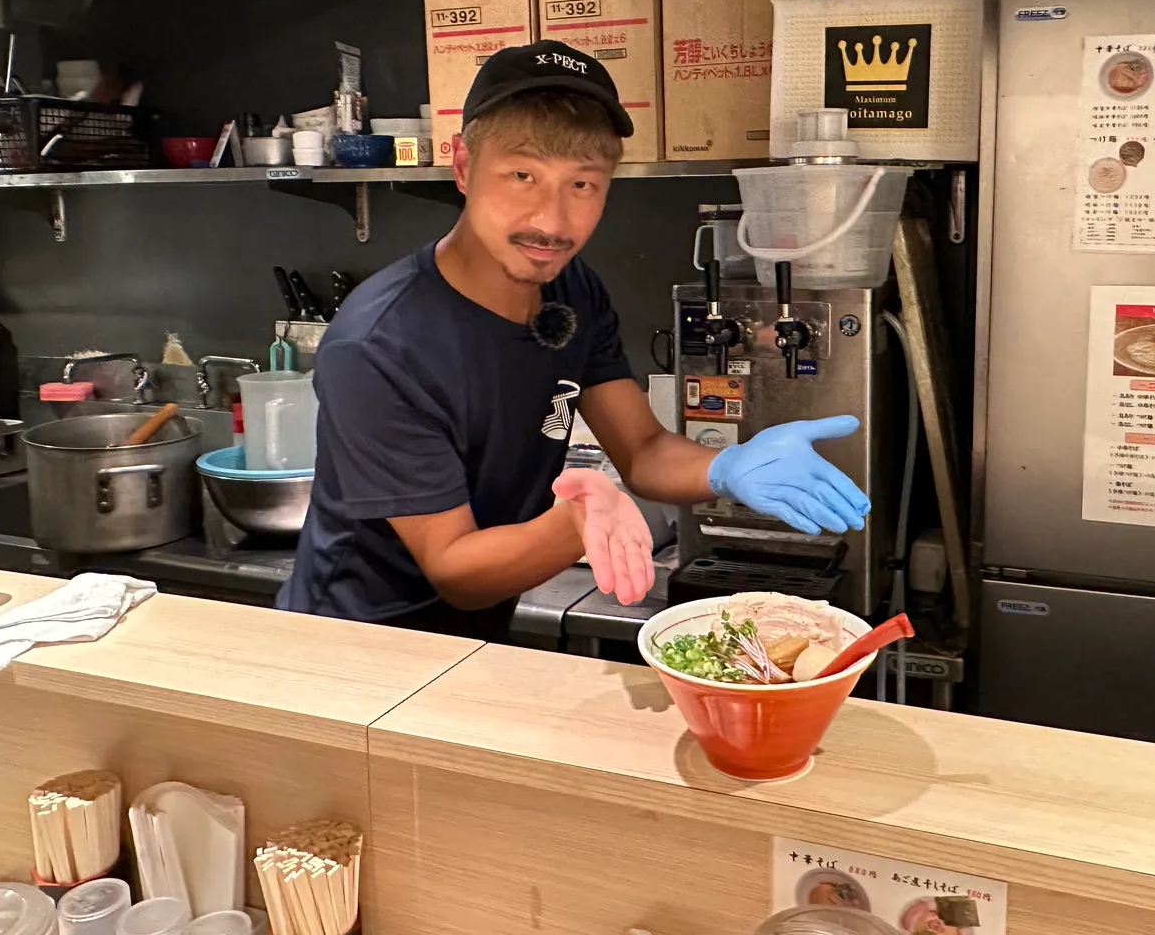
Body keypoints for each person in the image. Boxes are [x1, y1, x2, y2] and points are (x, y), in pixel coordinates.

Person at [277, 40, 869, 636]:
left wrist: (729, 466)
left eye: (582, 184)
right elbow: (454, 571)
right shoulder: (380, 346)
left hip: (476, 645)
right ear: (462, 166)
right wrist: (577, 523)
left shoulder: (571, 290)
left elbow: (641, 449)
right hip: (349, 648)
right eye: (522, 175)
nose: (552, 221)